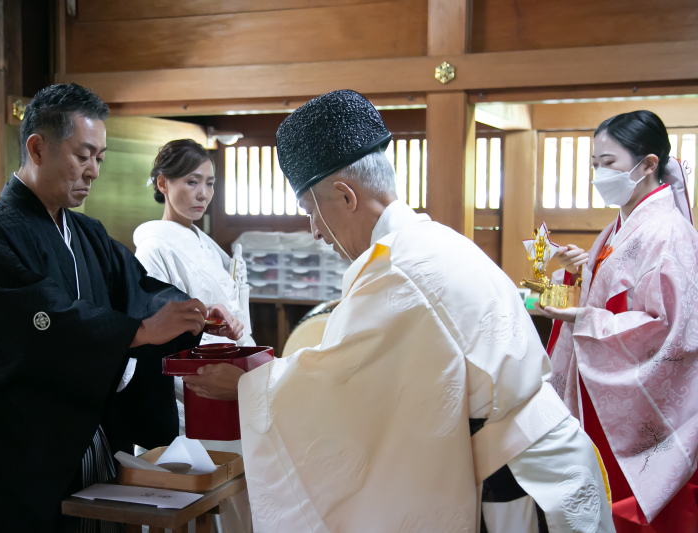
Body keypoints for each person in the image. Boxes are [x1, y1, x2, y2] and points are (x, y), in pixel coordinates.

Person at [183, 90, 615, 533]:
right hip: (543, 462)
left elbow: (345, 388)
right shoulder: (432, 241)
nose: (314, 232)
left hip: (522, 483)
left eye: (310, 211)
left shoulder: (398, 271)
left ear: (345, 196)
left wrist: (249, 388)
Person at [0, 83, 241, 533]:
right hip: (17, 459)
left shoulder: (88, 233)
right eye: (83, 155)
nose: (93, 171)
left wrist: (194, 312)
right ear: (38, 148)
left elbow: (139, 289)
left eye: (100, 157)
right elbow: (39, 324)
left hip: (88, 444)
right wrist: (135, 333)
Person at [540, 110, 698, 533]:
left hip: (636, 397)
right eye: (594, 163)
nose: (598, 172)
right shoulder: (619, 226)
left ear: (647, 164)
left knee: (631, 504)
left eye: (608, 163)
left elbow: (669, 330)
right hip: (605, 381)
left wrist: (586, 319)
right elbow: (608, 293)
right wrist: (576, 274)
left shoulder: (667, 231)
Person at [133, 139, 253, 533]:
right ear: (163, 184)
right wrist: (211, 327)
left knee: (236, 486)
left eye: (210, 183)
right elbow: (161, 323)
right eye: (191, 181)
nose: (203, 193)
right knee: (199, 490)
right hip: (189, 388)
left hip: (228, 375)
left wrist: (229, 328)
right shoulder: (153, 247)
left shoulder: (205, 242)